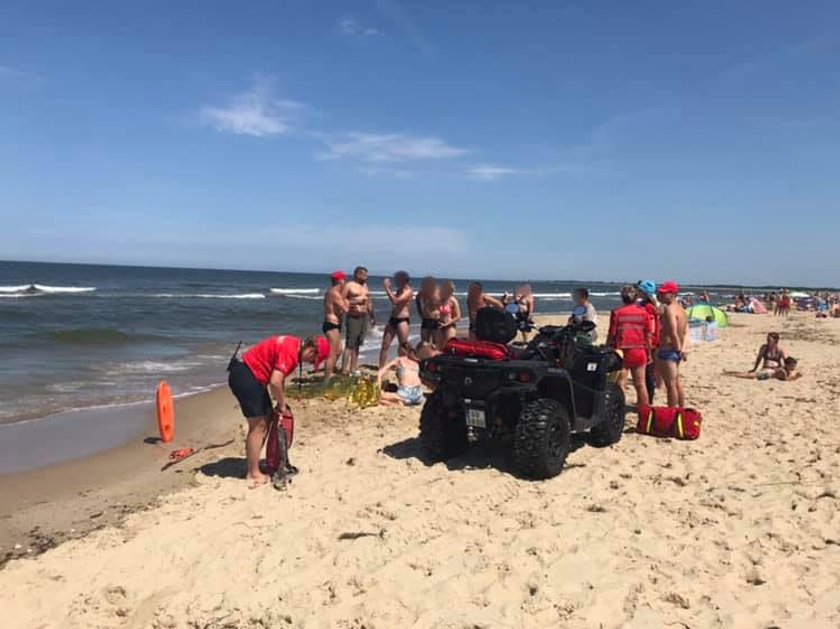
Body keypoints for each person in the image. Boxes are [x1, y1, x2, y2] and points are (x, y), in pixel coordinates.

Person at [228, 335, 329, 487]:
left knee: (267, 417)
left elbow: (278, 380)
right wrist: (281, 404)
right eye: (312, 360)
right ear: (311, 350)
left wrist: (281, 402)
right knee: (259, 425)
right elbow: (275, 381)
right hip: (246, 376)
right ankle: (253, 473)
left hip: (248, 373)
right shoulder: (290, 352)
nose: (308, 363)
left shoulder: (293, 344)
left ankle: (252, 464)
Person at [608, 286, 653, 408]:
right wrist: (649, 353)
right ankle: (644, 412)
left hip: (621, 351)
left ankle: (620, 410)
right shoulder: (643, 313)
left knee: (621, 383)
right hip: (639, 350)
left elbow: (612, 333)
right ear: (636, 298)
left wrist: (608, 348)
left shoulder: (617, 313)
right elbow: (648, 335)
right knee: (641, 384)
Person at [377, 342, 439, 406]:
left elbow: (380, 373)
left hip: (405, 393)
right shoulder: (418, 363)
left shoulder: (399, 360)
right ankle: (400, 402)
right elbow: (423, 380)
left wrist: (378, 389)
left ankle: (398, 402)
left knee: (378, 397)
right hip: (418, 395)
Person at [657, 280, 688, 408]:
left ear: (673, 294)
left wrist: (678, 349)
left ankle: (672, 412)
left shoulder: (670, 309)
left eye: (665, 293)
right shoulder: (681, 309)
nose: (662, 295)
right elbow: (686, 331)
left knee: (670, 385)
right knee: (676, 383)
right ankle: (681, 409)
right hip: (676, 349)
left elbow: (673, 332)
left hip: (669, 349)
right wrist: (683, 348)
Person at [341, 266, 375, 375]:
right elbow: (341, 300)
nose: (366, 277)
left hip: (363, 317)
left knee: (358, 343)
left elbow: (369, 302)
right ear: (358, 274)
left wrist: (372, 316)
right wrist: (354, 302)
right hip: (353, 317)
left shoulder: (365, 286)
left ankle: (353, 368)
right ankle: (344, 370)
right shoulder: (349, 285)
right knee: (350, 344)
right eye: (365, 275)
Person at [379, 271, 414, 368]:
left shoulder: (408, 291)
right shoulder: (399, 290)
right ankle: (381, 367)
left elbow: (396, 301)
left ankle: (404, 366)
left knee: (403, 346)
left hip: (402, 320)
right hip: (393, 319)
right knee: (385, 344)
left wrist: (387, 288)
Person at [636, 280, 661, 403]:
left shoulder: (648, 307)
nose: (637, 292)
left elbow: (650, 328)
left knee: (647, 374)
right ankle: (645, 400)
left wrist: (649, 344)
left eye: (639, 290)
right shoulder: (648, 305)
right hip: (649, 341)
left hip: (650, 342)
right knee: (646, 373)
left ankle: (648, 401)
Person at [322, 271, 349, 380]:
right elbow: (345, 309)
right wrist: (347, 301)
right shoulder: (334, 293)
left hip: (335, 325)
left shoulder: (332, 292)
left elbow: (338, 310)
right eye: (344, 280)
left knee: (339, 351)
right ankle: (326, 379)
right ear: (340, 281)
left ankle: (330, 370)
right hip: (331, 325)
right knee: (332, 353)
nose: (345, 282)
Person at [726, 356, 801, 381]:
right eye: (793, 365)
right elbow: (785, 379)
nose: (794, 367)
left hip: (768, 372)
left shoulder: (785, 370)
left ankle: (734, 374)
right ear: (788, 365)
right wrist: (796, 377)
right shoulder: (783, 371)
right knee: (749, 376)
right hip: (766, 374)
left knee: (749, 375)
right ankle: (734, 375)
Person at [436, 280, 462, 347]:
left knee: (449, 346)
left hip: (449, 325)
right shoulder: (440, 300)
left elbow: (458, 316)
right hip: (440, 325)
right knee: (439, 347)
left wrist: (447, 324)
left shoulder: (453, 300)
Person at [416, 276, 441, 344]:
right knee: (424, 343)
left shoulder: (439, 291)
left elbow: (444, 303)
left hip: (436, 319)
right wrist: (420, 312)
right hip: (426, 319)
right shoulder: (423, 291)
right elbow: (417, 299)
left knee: (435, 343)